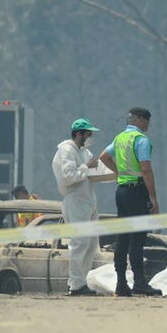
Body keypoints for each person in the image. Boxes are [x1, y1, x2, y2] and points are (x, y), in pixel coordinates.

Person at [98, 107, 161, 297]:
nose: (148, 125)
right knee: (137, 240)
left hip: (122, 191)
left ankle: (121, 283)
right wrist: (153, 198)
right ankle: (140, 282)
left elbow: (104, 157)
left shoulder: (119, 138)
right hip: (136, 192)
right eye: (147, 121)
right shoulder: (140, 140)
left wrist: (119, 172)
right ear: (140, 120)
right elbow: (146, 170)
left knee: (122, 240)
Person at [51, 118, 115, 296]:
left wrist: (118, 173)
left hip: (88, 199)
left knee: (91, 242)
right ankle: (75, 285)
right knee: (80, 243)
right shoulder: (66, 150)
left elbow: (96, 171)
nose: (90, 137)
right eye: (88, 133)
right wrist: (86, 167)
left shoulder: (84, 152)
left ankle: (80, 281)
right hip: (76, 199)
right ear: (78, 133)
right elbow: (69, 175)